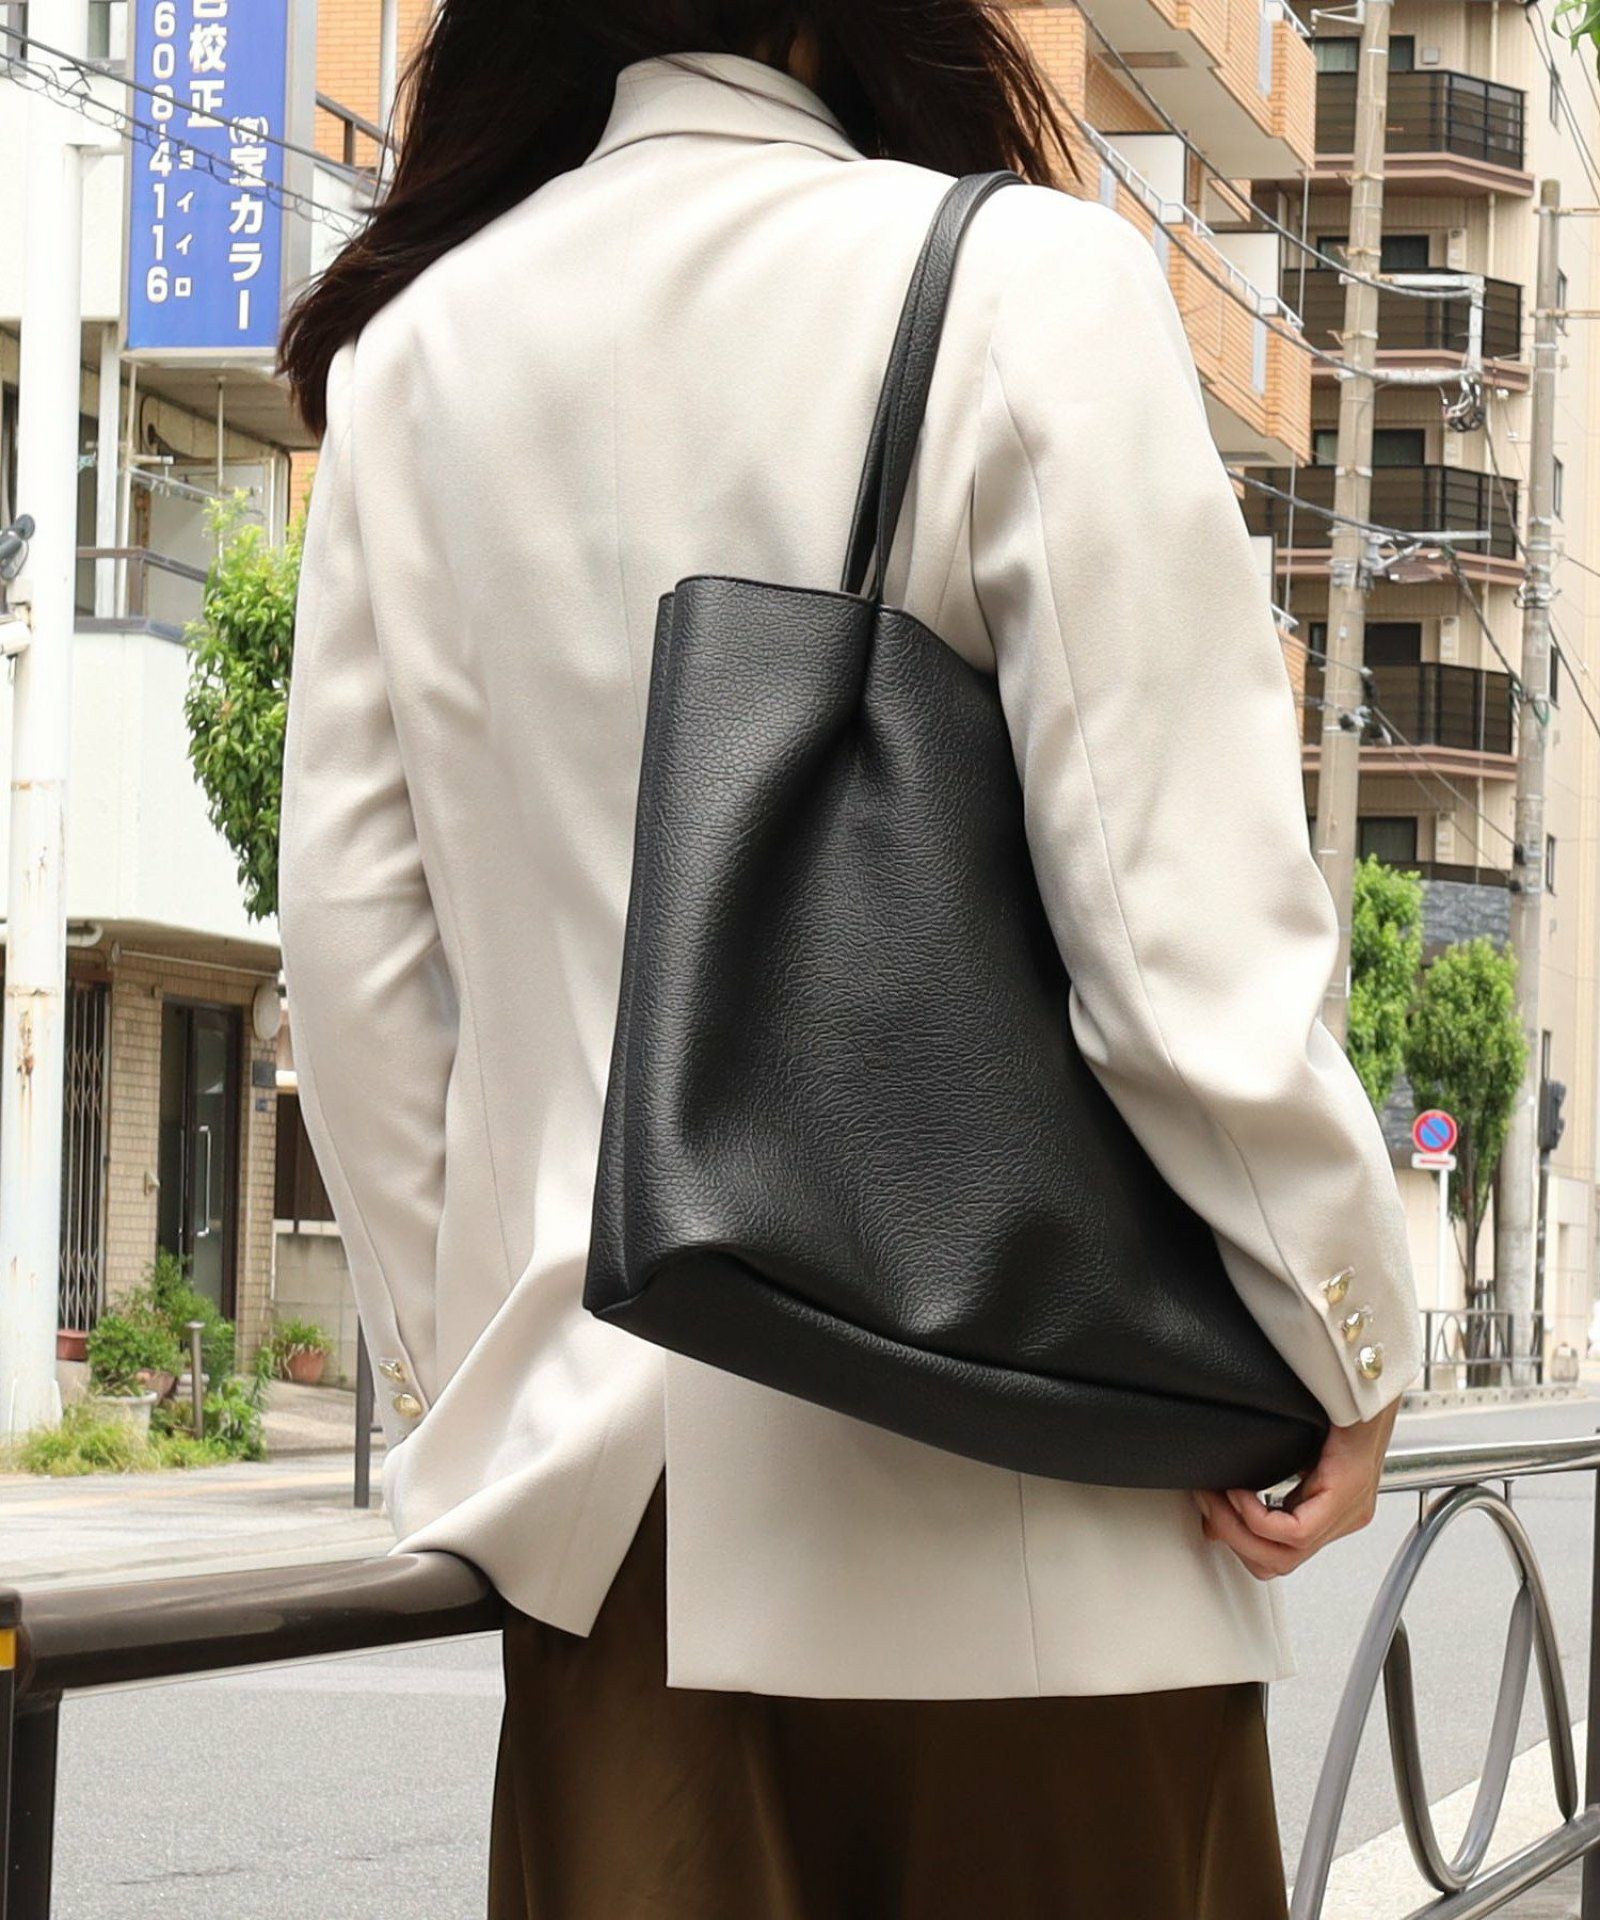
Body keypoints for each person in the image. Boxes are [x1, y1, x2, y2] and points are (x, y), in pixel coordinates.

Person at [276, 7, 1424, 1916]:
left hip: (624, 1564)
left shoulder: (412, 363)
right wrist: (1344, 1339)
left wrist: (508, 1397)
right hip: (1040, 1526)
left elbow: (361, 978)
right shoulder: (1021, 284)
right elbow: (1175, 939)